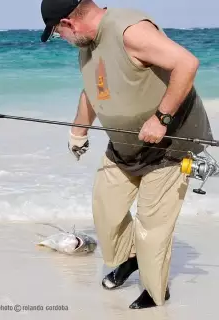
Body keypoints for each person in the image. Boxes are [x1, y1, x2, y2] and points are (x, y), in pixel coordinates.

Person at [40, 0, 213, 309]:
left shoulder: (129, 31)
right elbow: (92, 91)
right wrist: (77, 131)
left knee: (151, 228)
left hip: (170, 147)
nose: (61, 40)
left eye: (57, 34)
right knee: (106, 213)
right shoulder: (88, 47)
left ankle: (155, 291)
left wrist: (161, 119)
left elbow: (187, 63)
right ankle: (133, 260)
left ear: (69, 23)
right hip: (123, 148)